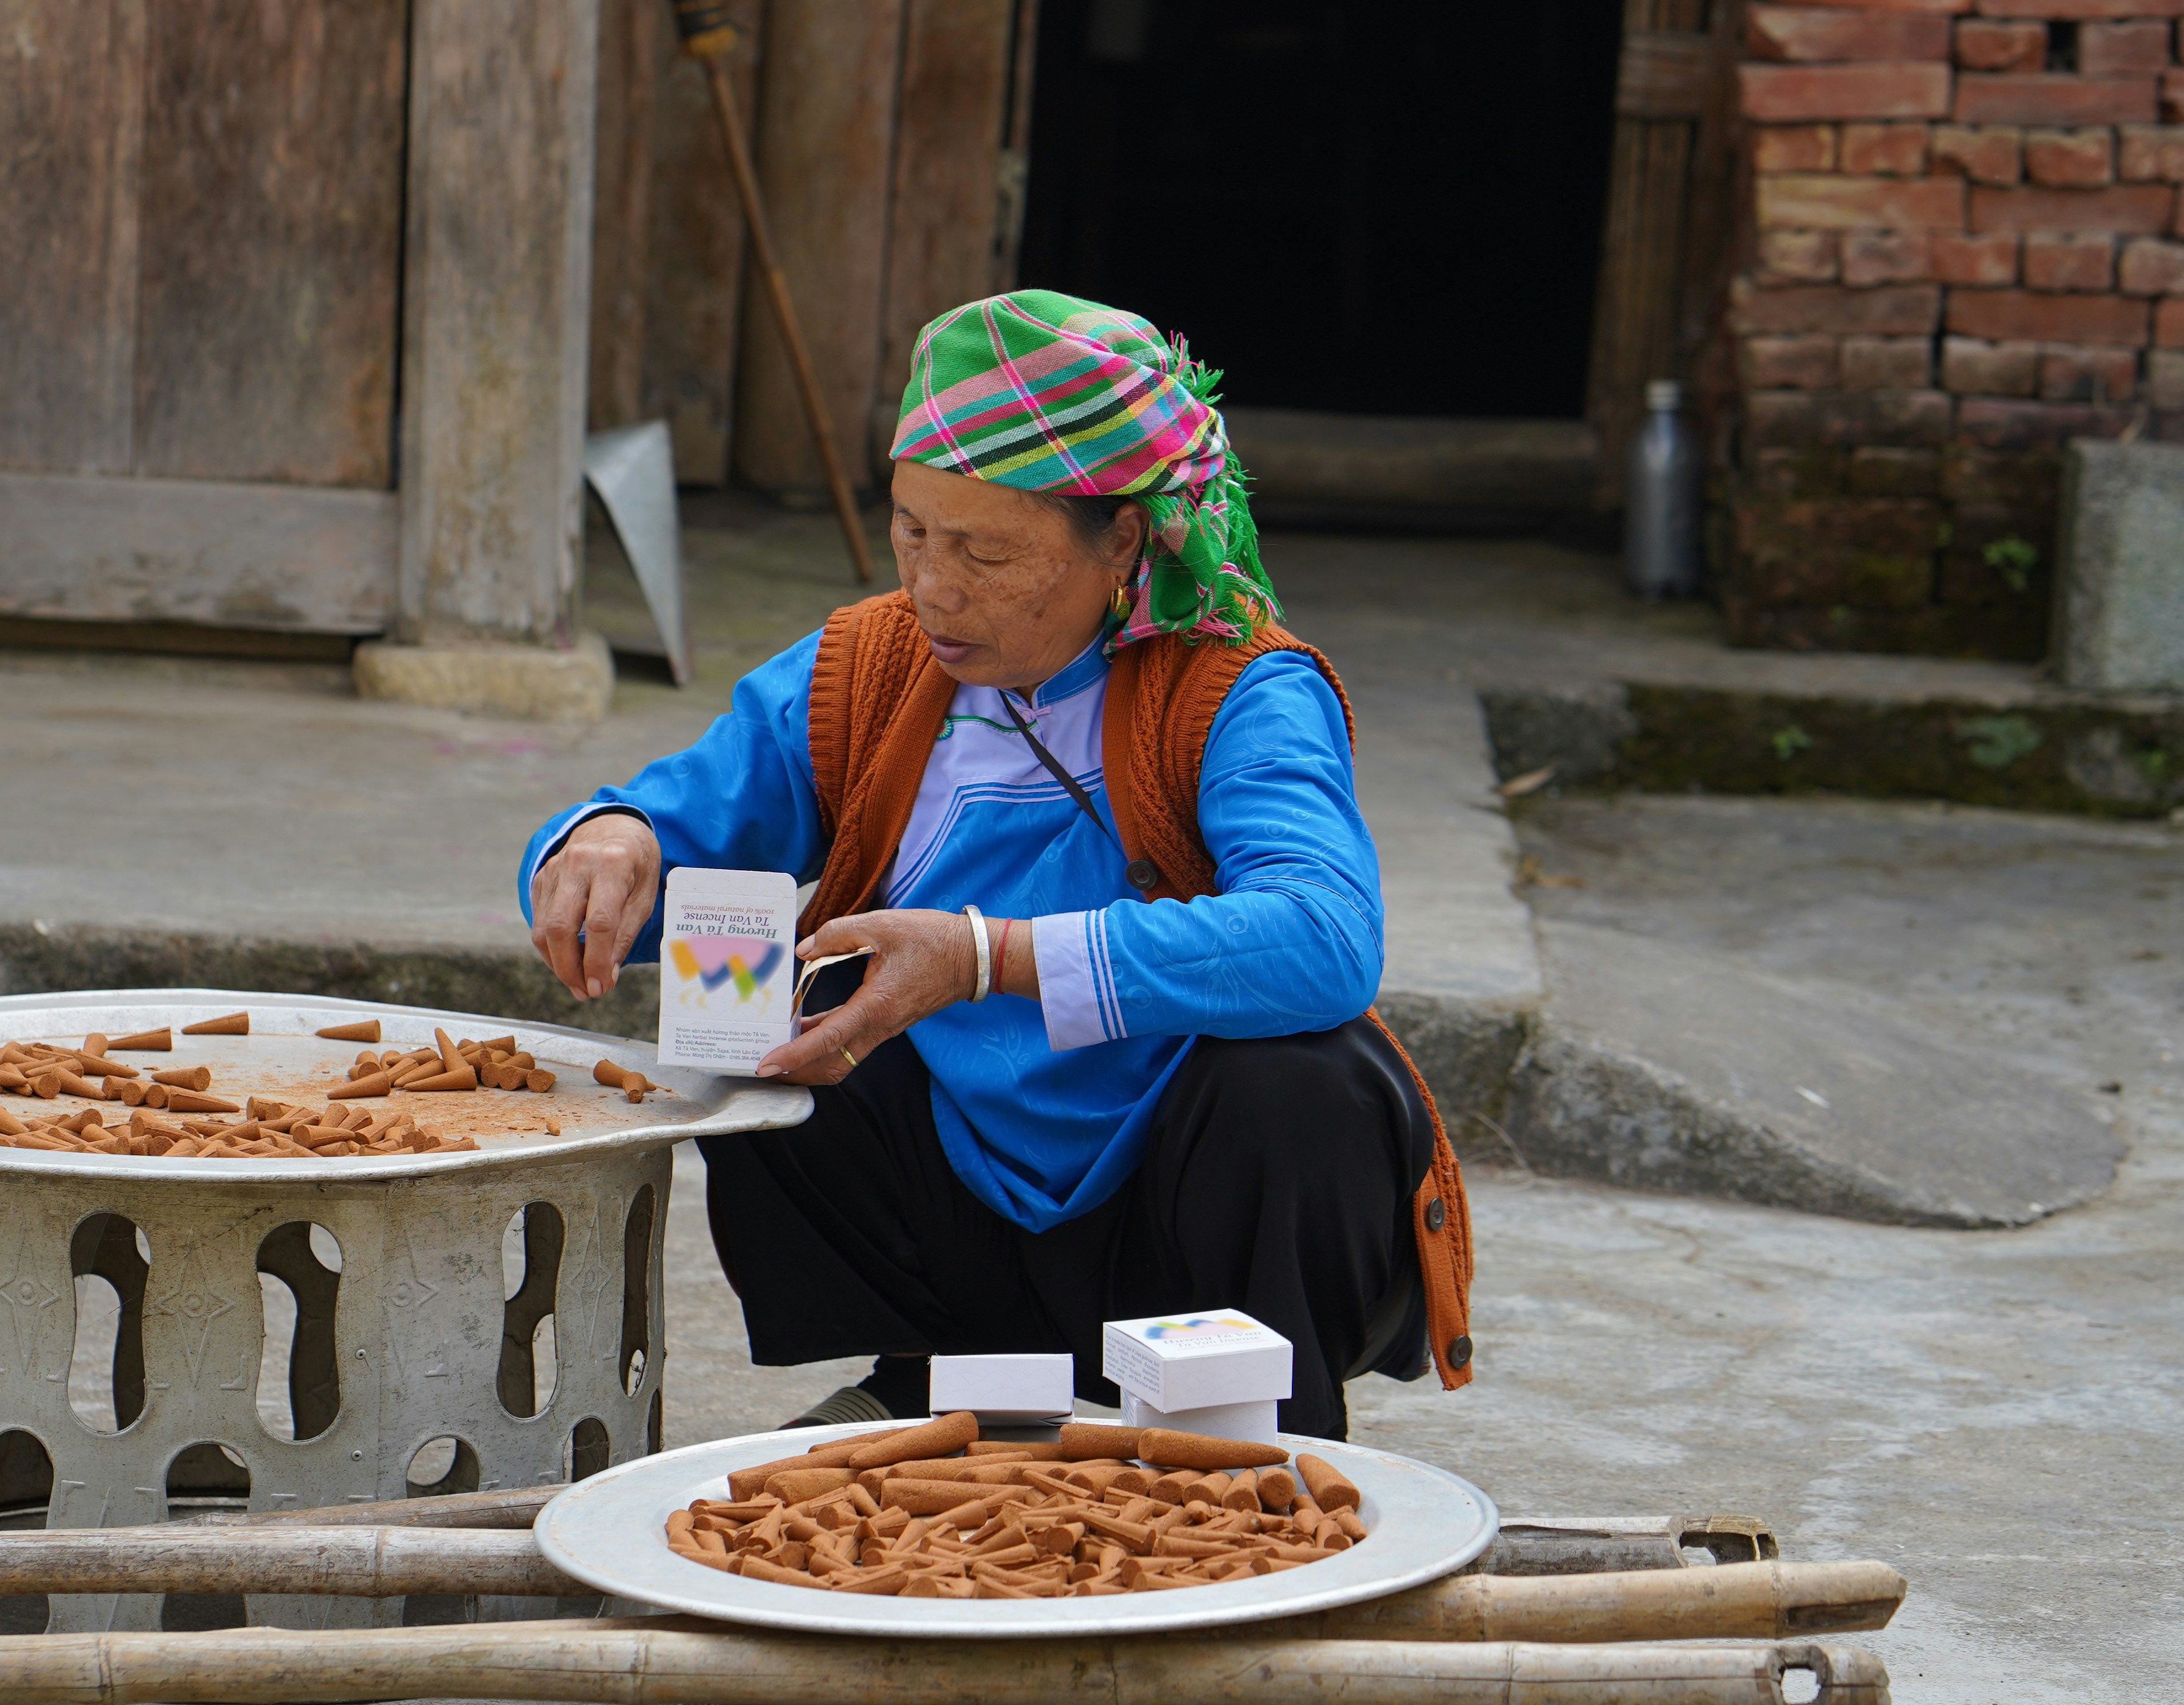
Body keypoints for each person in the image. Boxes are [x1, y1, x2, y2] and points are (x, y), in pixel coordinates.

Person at [518, 290, 1473, 1441]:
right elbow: (686, 812)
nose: (934, 586)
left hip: (1175, 1186)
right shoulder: (868, 665)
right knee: (777, 1003)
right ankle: (939, 1374)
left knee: (1299, 1086)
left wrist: (985, 957)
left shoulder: (1239, 690)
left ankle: (1247, 1421)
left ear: (1121, 537)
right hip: (960, 1189)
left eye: (986, 549)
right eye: (914, 530)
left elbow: (1325, 938)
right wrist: (609, 838)